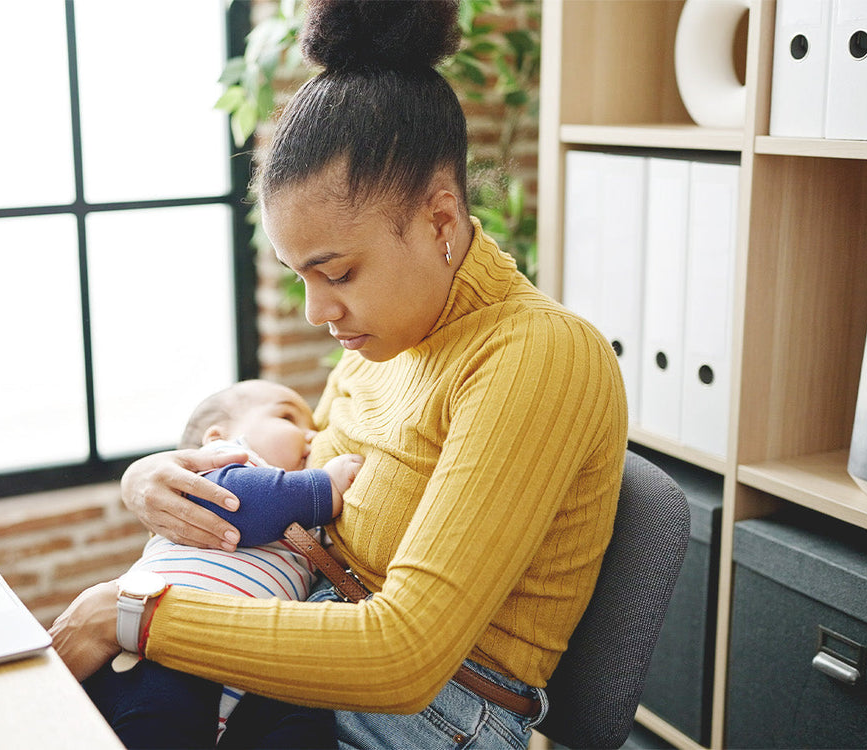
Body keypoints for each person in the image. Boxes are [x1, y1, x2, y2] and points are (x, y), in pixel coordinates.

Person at [50, 1, 627, 748]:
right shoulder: (389, 336)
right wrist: (153, 479)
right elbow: (306, 469)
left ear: (442, 224)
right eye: (300, 278)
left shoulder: (537, 357)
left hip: (428, 711)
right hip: (310, 647)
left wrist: (130, 612)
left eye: (339, 273)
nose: (319, 310)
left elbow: (405, 656)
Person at [82, 379, 362, 749]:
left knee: (307, 722)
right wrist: (324, 486)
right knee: (157, 725)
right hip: (161, 653)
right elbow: (247, 505)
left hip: (245, 667)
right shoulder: (214, 473)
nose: (310, 437)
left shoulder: (303, 515)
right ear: (217, 437)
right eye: (287, 416)